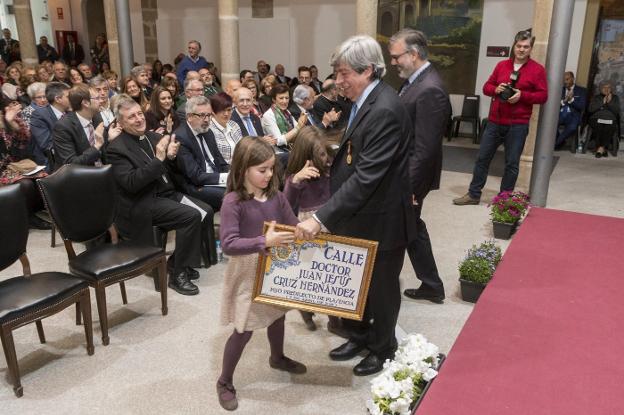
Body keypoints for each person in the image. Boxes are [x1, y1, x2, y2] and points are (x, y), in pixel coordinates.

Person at [295, 35, 415, 377]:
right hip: (360, 215)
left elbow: (367, 177)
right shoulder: (364, 100)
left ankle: (382, 346)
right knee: (357, 283)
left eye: (344, 73)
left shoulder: (386, 110)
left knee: (380, 288)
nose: (338, 80)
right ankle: (359, 336)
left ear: (368, 71)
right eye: (336, 72)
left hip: (382, 219)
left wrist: (320, 218)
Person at [216, 136, 306, 411]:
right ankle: (224, 381)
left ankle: (276, 357)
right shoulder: (233, 202)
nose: (269, 175)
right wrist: (263, 242)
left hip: (274, 267)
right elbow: (229, 244)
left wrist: (306, 229)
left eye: (271, 169)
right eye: (262, 170)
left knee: (277, 315)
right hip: (247, 270)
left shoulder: (277, 196)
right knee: (243, 329)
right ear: (243, 169)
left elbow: (292, 224)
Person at [107, 94, 208, 296]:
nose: (138, 119)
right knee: (191, 216)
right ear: (120, 122)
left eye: (139, 114)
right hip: (142, 202)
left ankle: (180, 261)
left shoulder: (152, 137)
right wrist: (159, 158)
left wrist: (170, 156)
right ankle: (177, 274)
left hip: (165, 193)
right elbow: (132, 183)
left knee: (204, 210)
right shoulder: (116, 149)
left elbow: (168, 168)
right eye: (131, 117)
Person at [389, 28, 450, 303]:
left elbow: (425, 148)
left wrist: (409, 188)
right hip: (406, 175)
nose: (393, 63)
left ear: (413, 54)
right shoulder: (416, 81)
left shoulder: (430, 89)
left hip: (412, 179)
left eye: (396, 57)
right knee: (411, 228)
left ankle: (400, 285)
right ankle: (431, 284)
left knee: (406, 228)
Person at [453, 30, 547, 205]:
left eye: (526, 47)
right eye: (519, 46)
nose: (521, 50)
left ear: (531, 48)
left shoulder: (537, 70)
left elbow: (543, 96)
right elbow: (486, 87)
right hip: (495, 122)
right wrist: (495, 90)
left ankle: (503, 200)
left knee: (511, 164)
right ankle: (474, 194)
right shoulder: (502, 65)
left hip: (518, 125)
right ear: (514, 45)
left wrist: (522, 95)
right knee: (482, 159)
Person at [282, 126, 346, 336]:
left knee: (330, 275)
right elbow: (286, 206)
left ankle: (334, 319)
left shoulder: (331, 167)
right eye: (321, 154)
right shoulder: (295, 177)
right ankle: (306, 307)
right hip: (308, 226)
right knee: (310, 273)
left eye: (327, 152)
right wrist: (296, 180)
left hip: (329, 221)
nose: (326, 158)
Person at [175, 95, 229, 211]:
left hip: (214, 179)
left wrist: (235, 173)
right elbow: (196, 176)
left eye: (209, 115)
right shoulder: (181, 138)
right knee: (232, 196)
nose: (206, 120)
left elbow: (221, 162)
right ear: (189, 117)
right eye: (202, 115)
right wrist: (226, 177)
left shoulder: (208, 132)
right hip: (196, 187)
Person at [52, 84, 106, 169]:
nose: (101, 101)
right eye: (97, 98)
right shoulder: (63, 127)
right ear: (85, 103)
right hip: (77, 177)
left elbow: (105, 152)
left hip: (101, 171)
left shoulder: (97, 117)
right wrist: (96, 147)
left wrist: (110, 139)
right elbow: (71, 164)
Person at [29, 82, 71, 168]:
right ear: (58, 99)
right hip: (51, 162)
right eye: (68, 97)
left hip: (70, 156)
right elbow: (46, 144)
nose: (72, 99)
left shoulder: (70, 112)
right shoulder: (39, 115)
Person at [261, 83, 306, 151]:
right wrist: (298, 127)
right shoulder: (268, 115)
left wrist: (302, 124)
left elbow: (299, 130)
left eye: (287, 98)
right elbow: (279, 141)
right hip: (278, 152)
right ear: (274, 99)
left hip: (292, 148)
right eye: (281, 98)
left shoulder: (287, 112)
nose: (284, 101)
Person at [588, 80, 620, 158]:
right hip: (596, 118)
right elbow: (590, 109)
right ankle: (603, 148)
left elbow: (616, 111)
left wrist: (609, 102)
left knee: (609, 126)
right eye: (604, 87)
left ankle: (600, 148)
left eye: (608, 87)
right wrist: (602, 102)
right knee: (598, 126)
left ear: (611, 89)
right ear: (600, 89)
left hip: (610, 119)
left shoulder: (615, 98)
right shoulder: (596, 97)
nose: (606, 89)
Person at [555, 71, 587, 150]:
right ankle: (560, 142)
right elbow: (554, 104)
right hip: (560, 114)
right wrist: (564, 101)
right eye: (563, 80)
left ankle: (556, 144)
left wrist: (571, 100)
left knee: (572, 127)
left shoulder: (581, 91)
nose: (565, 82)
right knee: (551, 124)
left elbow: (582, 106)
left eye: (567, 79)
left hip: (573, 116)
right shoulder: (559, 90)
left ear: (573, 79)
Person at [209, 92, 243, 164]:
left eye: (229, 110)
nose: (226, 114)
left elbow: (242, 148)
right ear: (213, 111)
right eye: (222, 110)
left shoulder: (234, 125)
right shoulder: (209, 130)